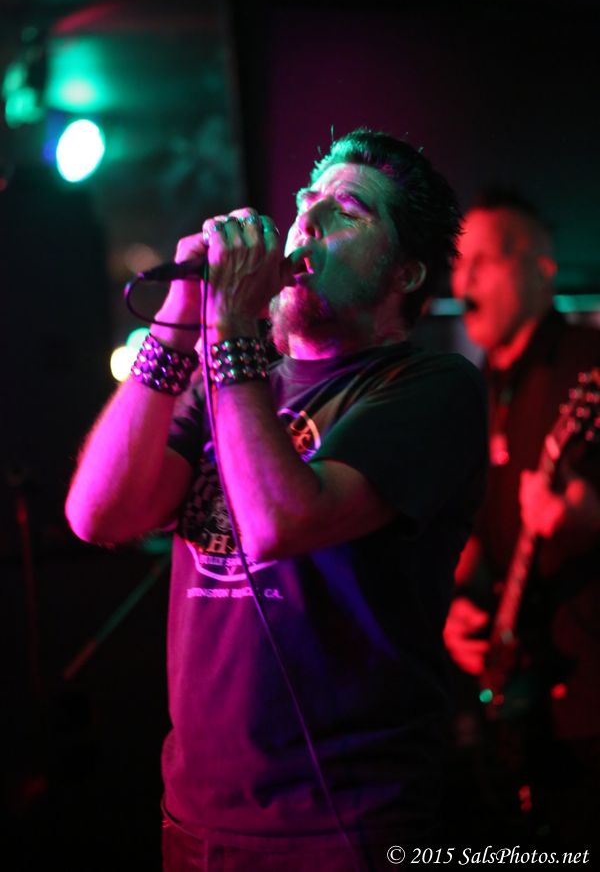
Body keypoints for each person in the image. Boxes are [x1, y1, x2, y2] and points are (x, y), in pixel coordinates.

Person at [66, 128, 487, 870]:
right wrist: (176, 326)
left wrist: (229, 326)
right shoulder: (231, 380)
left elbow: (280, 521)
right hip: (194, 819)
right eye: (305, 202)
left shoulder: (430, 388)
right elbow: (97, 515)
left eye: (346, 211)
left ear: (406, 272)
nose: (306, 222)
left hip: (345, 828)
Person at [445, 188, 600, 846]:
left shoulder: (589, 363)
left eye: (486, 259)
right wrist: (458, 608)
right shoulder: (480, 384)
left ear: (541, 268)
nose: (465, 280)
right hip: (523, 693)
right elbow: (479, 527)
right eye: (460, 262)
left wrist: (589, 516)